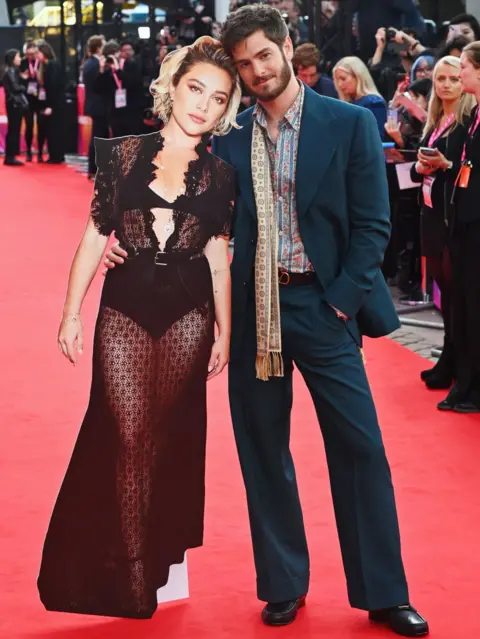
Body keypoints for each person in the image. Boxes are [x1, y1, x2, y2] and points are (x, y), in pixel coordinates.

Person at [107, 5, 429, 636]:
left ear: (288, 47)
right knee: (262, 450)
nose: (257, 70)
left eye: (264, 55)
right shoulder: (226, 138)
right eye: (245, 63)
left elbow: (373, 227)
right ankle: (283, 582)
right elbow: (166, 197)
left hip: (323, 305)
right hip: (253, 313)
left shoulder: (347, 124)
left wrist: (340, 300)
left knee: (360, 448)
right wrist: (121, 240)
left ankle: (384, 592)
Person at [37, 36, 241, 618]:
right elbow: (95, 235)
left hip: (189, 314)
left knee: (160, 438)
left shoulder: (223, 177)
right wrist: (71, 310)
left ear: (225, 109)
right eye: (195, 89)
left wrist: (224, 331)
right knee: (126, 436)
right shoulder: (122, 153)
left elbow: (218, 259)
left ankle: (152, 559)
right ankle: (129, 571)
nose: (202, 104)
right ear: (173, 88)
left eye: (216, 97)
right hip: (123, 308)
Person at [410, 56, 475, 393]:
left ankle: (454, 362)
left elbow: (461, 170)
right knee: (445, 293)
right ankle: (447, 359)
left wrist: (442, 165)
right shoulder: (436, 119)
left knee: (454, 296)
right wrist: (420, 168)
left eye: (453, 77)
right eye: (440, 79)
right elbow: (415, 167)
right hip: (430, 213)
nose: (447, 84)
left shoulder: (466, 121)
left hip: (451, 216)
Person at [442, 41, 480, 413]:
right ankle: (466, 383)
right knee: (465, 303)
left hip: (475, 220)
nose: (460, 72)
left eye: (465, 66)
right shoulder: (476, 113)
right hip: (465, 217)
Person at [333, 56, 388, 139]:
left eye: (343, 79)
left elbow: (376, 138)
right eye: (337, 80)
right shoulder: (349, 103)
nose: (340, 84)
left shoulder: (374, 102)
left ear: (358, 76)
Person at [82, 35, 109, 179]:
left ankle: (96, 168)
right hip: (98, 105)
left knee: (99, 136)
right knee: (98, 137)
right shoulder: (93, 64)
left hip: (97, 105)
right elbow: (97, 85)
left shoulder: (90, 62)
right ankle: (94, 169)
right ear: (99, 47)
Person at [36, 39, 66, 164]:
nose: (37, 56)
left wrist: (51, 106)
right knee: (50, 130)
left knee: (55, 130)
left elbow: (54, 87)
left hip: (55, 103)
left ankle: (57, 155)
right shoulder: (46, 66)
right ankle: (54, 154)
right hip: (50, 102)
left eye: (38, 53)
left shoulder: (52, 65)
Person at [2, 49, 28, 166]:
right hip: (14, 104)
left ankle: (10, 156)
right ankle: (10, 156)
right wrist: (24, 85)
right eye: (18, 56)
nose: (20, 59)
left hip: (12, 103)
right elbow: (15, 88)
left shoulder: (10, 71)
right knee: (14, 130)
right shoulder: (11, 71)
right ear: (12, 58)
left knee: (13, 130)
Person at [20, 41, 43, 162]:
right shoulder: (23, 63)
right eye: (28, 54)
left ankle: (40, 152)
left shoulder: (41, 63)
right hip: (27, 98)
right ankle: (28, 151)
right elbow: (19, 80)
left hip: (40, 97)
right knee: (29, 126)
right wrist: (24, 77)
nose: (31, 57)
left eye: (33, 54)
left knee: (41, 125)